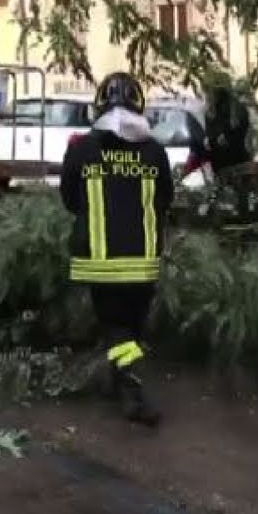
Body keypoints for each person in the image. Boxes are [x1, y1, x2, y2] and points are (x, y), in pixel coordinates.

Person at [60, 72, 174, 426]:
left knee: (116, 329)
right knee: (132, 328)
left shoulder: (81, 150)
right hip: (143, 263)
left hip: (100, 263)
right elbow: (165, 199)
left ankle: (135, 393)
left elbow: (68, 199)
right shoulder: (154, 152)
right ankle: (119, 383)